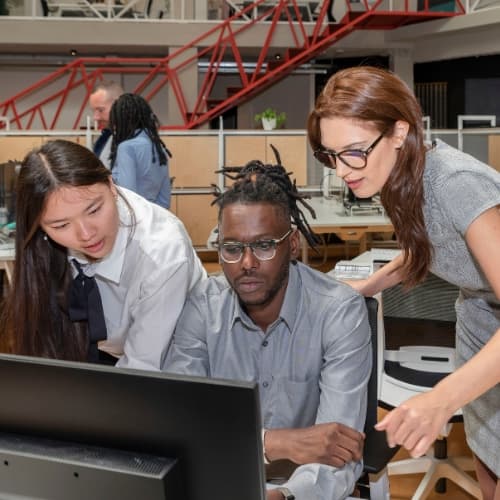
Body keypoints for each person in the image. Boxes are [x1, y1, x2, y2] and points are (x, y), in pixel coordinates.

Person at [307, 65, 500, 499]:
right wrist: (367, 287)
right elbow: (426, 246)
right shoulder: (401, 176)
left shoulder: (456, 183)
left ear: (399, 131)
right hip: (481, 324)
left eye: (354, 152)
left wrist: (440, 400)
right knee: (489, 459)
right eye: (332, 155)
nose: (342, 170)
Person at [164, 157, 371, 500]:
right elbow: (179, 426)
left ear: (292, 245)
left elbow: (339, 451)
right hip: (218, 480)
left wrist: (285, 495)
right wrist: (274, 442)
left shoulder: (338, 311)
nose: (247, 263)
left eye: (264, 245)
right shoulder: (202, 305)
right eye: (232, 248)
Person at [0, 139, 206, 371]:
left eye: (94, 210)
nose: (86, 234)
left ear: (111, 185)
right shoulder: (44, 244)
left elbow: (142, 367)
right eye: (61, 225)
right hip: (108, 353)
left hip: (170, 363)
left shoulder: (162, 252)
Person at [109, 93, 172, 209]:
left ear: (121, 120)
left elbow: (127, 197)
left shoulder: (126, 148)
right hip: (154, 216)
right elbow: (164, 201)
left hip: (132, 217)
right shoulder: (159, 149)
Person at [88, 80, 124, 168]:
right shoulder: (105, 137)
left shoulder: (133, 141)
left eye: (100, 110)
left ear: (118, 105)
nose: (95, 117)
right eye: (93, 111)